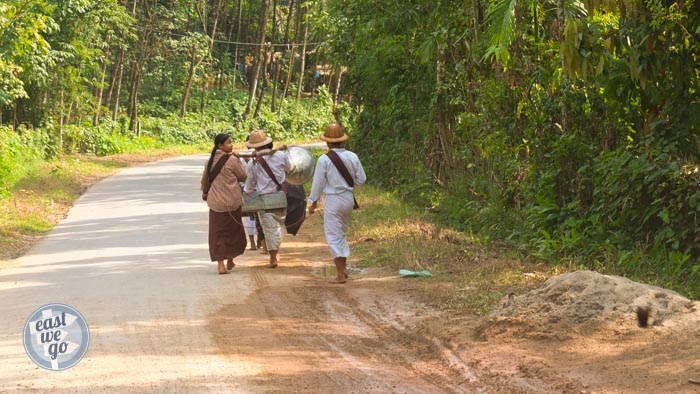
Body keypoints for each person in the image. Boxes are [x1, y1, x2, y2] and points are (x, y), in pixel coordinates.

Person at [307, 124, 367, 284]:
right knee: (341, 233)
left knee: (334, 236)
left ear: (327, 142)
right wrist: (347, 185)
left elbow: (318, 184)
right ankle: (343, 269)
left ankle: (341, 274)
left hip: (333, 199)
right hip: (348, 199)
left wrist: (313, 203)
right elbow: (362, 179)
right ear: (342, 141)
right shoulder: (353, 156)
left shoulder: (324, 159)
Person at [243, 130, 293, 268]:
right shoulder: (281, 155)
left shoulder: (253, 162)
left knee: (269, 229)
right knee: (277, 227)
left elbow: (249, 185)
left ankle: (273, 257)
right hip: (281, 197)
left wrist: (246, 193)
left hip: (265, 199)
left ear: (253, 146)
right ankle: (274, 253)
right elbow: (290, 169)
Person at [201, 133, 248, 275]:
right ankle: (230, 259)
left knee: (218, 234)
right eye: (228, 143)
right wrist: (240, 161)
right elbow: (243, 176)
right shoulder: (233, 160)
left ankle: (221, 264)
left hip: (215, 204)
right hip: (232, 202)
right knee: (233, 232)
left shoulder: (209, 161)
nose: (231, 145)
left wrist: (204, 192)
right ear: (220, 146)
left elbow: (205, 180)